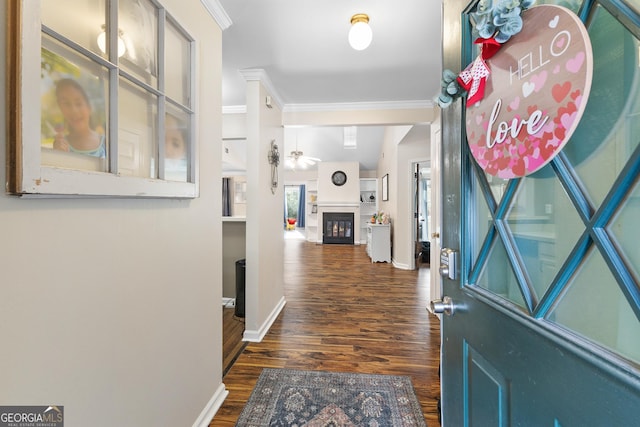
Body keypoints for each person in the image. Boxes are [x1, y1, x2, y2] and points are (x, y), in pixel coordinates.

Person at [53, 78, 106, 158]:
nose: (74, 111)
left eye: (78, 103)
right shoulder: (61, 145)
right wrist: (58, 155)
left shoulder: (106, 143)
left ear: (89, 107)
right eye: (66, 104)